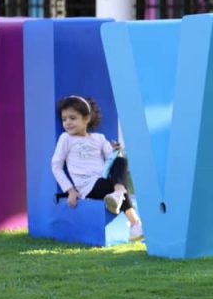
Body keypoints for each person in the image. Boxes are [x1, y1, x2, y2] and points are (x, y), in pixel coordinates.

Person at [51, 95, 144, 242]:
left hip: (103, 179)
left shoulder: (99, 138)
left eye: (72, 118)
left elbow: (111, 160)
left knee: (121, 160)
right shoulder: (66, 139)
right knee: (115, 185)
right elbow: (56, 166)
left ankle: (119, 195)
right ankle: (134, 221)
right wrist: (70, 190)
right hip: (88, 187)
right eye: (64, 119)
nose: (67, 123)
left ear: (86, 118)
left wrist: (115, 151)